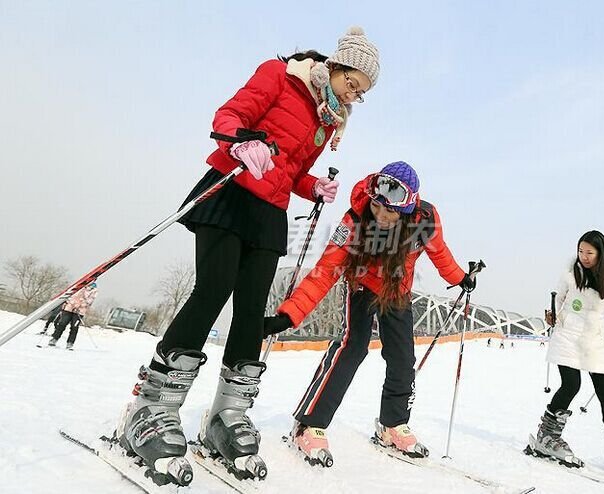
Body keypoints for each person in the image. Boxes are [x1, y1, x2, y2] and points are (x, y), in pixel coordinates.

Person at [114, 27, 381, 484]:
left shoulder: (326, 119)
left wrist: (311, 185)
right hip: (232, 192)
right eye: (353, 82)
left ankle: (227, 415)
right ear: (337, 64)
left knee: (252, 308)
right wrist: (243, 139)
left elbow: (291, 168)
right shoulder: (281, 75)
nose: (355, 94)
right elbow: (230, 114)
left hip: (269, 214)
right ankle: (152, 406)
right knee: (213, 288)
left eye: (362, 92)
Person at [263, 162, 472, 465]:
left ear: (408, 206)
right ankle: (310, 424)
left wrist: (460, 278)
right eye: (377, 207)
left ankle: (392, 424)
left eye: (390, 212)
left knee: (403, 358)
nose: (382, 215)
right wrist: (290, 314)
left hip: (397, 290)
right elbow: (324, 272)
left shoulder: (426, 219)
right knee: (353, 347)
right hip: (361, 284)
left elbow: (440, 252)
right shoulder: (353, 221)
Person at [525, 231, 604, 478]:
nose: (583, 257)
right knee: (572, 384)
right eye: (581, 251)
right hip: (568, 333)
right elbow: (558, 302)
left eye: (589, 253)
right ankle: (547, 436)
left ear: (600, 253)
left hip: (594, 337)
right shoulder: (570, 271)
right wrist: (551, 316)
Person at [48, 283, 98, 349]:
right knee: (62, 324)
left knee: (74, 327)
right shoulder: (80, 286)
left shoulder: (94, 291)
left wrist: (80, 305)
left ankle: (70, 343)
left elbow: (89, 301)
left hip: (79, 312)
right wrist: (71, 304)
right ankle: (54, 339)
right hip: (69, 309)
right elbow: (70, 296)